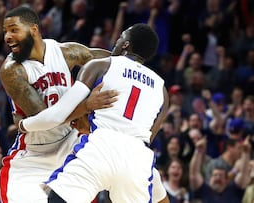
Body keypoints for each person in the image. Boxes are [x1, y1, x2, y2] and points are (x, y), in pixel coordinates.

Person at [20, 23, 169, 202]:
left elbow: (56, 115)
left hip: (102, 146)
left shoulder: (101, 65)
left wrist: (24, 124)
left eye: (121, 37)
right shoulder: (162, 90)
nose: (116, 41)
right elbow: (149, 136)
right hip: (138, 158)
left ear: (126, 45)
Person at [0, 6, 118, 203]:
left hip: (70, 144)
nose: (8, 37)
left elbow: (110, 62)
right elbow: (48, 118)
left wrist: (132, 62)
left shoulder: (64, 52)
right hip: (34, 154)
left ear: (33, 30)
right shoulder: (12, 70)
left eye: (13, 30)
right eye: (5, 32)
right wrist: (87, 105)